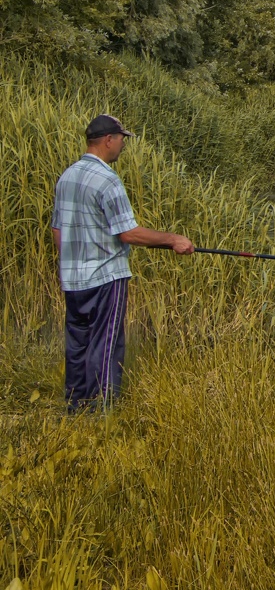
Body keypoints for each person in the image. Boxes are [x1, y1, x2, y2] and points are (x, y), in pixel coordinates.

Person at [51, 114, 195, 413]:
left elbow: (57, 229)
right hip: (106, 278)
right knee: (105, 344)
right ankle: (102, 413)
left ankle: (76, 408)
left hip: (73, 280)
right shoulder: (108, 179)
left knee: (77, 345)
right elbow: (128, 232)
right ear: (108, 140)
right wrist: (173, 239)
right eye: (121, 140)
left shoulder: (67, 176)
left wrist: (71, 263)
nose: (122, 146)